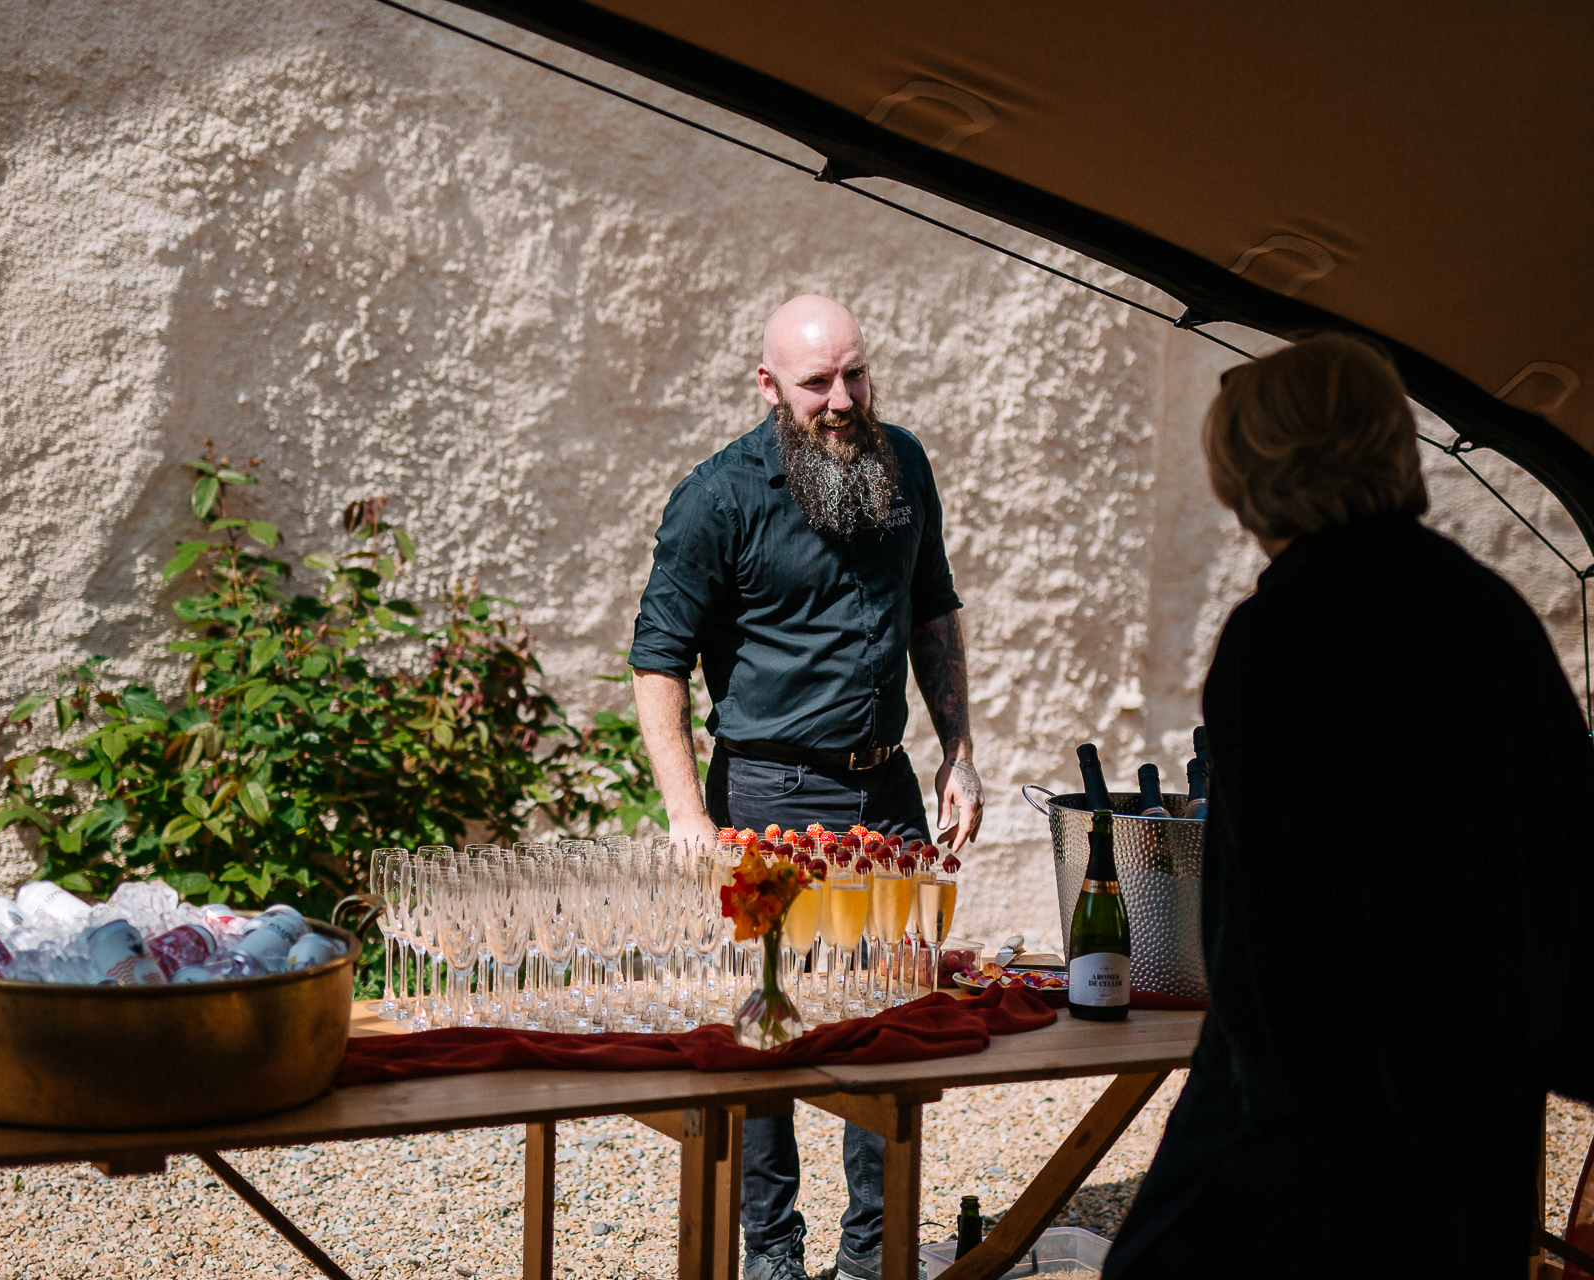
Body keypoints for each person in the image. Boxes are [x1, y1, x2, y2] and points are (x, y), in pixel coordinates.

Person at [1102, 335, 1594, 1279]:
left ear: (1249, 469)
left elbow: (1291, 948)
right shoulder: (1492, 612)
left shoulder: (1288, 634)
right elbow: (1573, 867)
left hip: (1326, 1148)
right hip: (1472, 1119)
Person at [629, 294, 984, 1280]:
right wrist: (687, 818)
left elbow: (933, 608)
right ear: (769, 386)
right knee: (770, 1031)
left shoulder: (903, 460)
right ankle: (774, 1255)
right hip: (768, 792)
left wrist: (959, 747)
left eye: (855, 374)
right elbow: (657, 661)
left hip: (891, 791)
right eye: (817, 382)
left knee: (889, 1019)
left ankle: (874, 1252)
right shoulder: (717, 496)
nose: (841, 398)